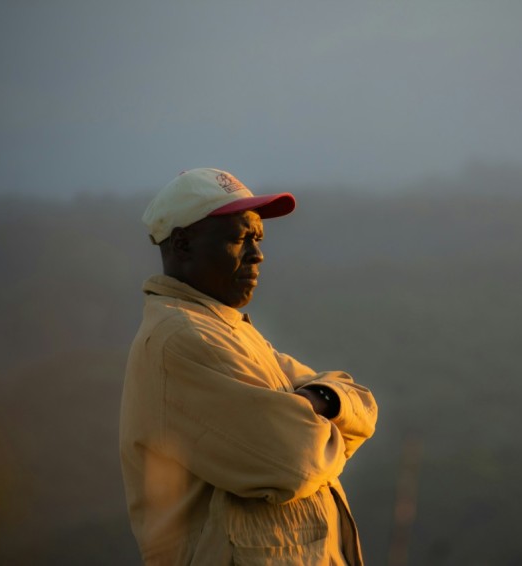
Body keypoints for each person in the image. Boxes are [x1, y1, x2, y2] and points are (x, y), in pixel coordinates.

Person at [120, 168, 378, 565]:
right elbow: (294, 461)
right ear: (183, 244)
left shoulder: (227, 328)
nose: (258, 254)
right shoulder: (185, 338)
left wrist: (320, 400)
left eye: (258, 238)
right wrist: (323, 416)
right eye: (240, 238)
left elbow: (361, 401)